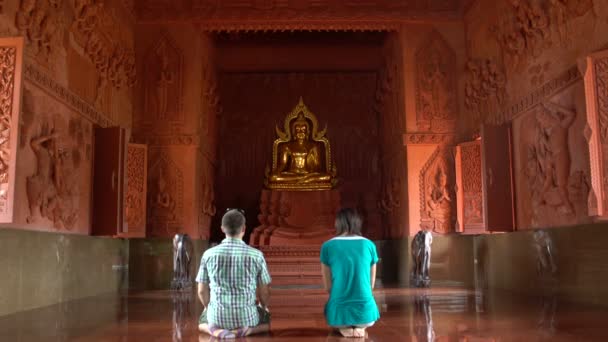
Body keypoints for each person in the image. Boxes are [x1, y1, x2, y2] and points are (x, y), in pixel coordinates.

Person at [196, 209, 272, 339]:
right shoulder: (257, 255)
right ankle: (245, 331)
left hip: (217, 317)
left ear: (222, 229)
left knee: (201, 322)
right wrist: (264, 307)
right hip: (247, 318)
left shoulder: (208, 254)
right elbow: (264, 292)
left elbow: (202, 291)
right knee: (267, 322)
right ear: (243, 229)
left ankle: (215, 331)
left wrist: (207, 307)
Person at [320, 208, 380, 338]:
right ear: (358, 223)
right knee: (367, 311)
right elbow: (371, 285)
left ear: (337, 224)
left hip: (337, 316)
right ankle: (360, 327)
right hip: (367, 315)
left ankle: (344, 328)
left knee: (330, 308)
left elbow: (328, 287)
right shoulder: (369, 245)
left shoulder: (327, 246)